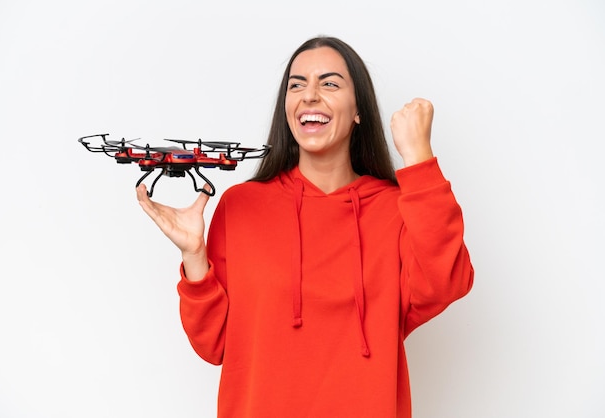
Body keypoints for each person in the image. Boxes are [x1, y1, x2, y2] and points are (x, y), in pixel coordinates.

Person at [136, 35, 474, 418]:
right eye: (297, 85)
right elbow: (213, 344)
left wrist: (418, 159)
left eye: (329, 83)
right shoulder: (241, 206)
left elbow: (447, 282)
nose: (309, 95)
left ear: (358, 110)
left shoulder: (397, 209)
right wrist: (194, 256)